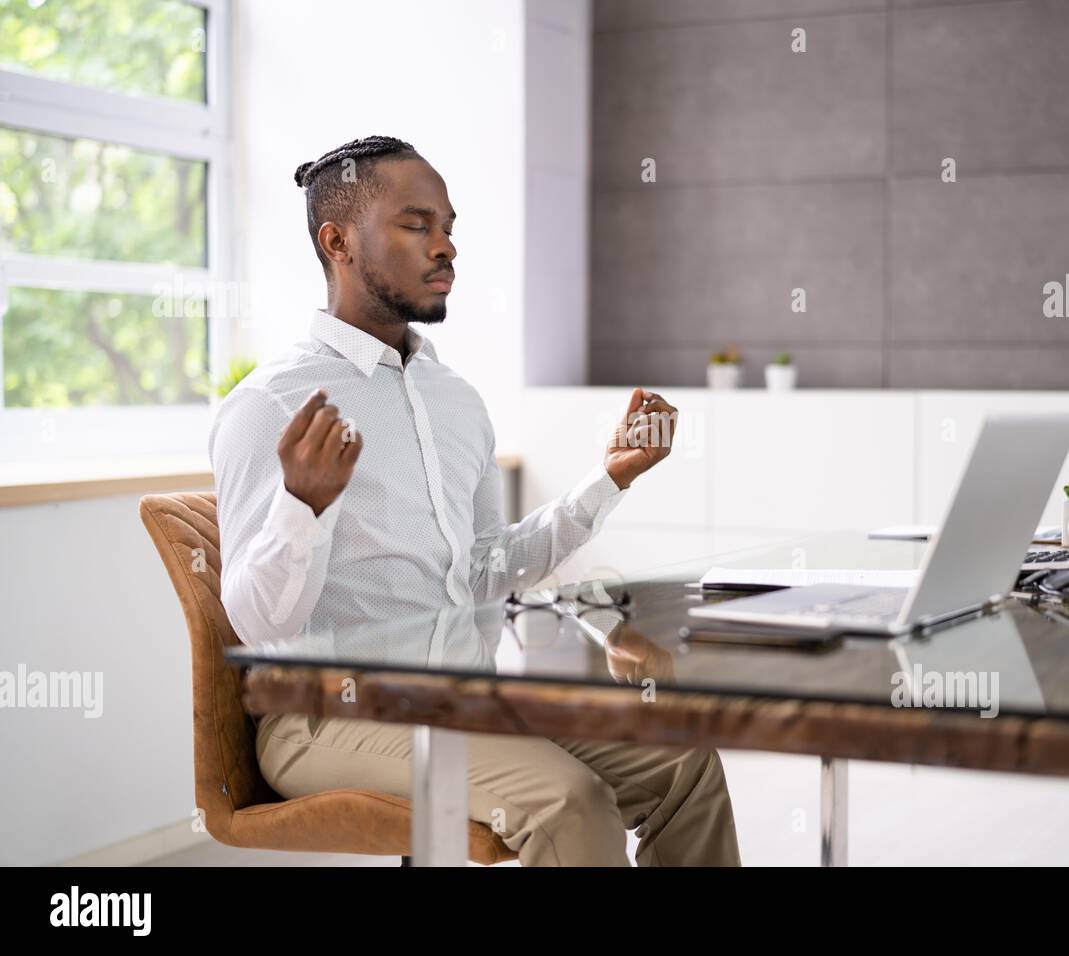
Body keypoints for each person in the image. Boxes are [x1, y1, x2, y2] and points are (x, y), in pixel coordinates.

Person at [209, 135, 741, 866]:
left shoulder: (455, 399)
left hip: (464, 696)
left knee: (683, 765)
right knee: (569, 802)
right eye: (416, 224)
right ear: (338, 242)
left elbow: (487, 571)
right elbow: (253, 619)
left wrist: (609, 477)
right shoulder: (268, 404)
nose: (446, 247)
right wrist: (301, 508)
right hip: (327, 716)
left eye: (449, 227)